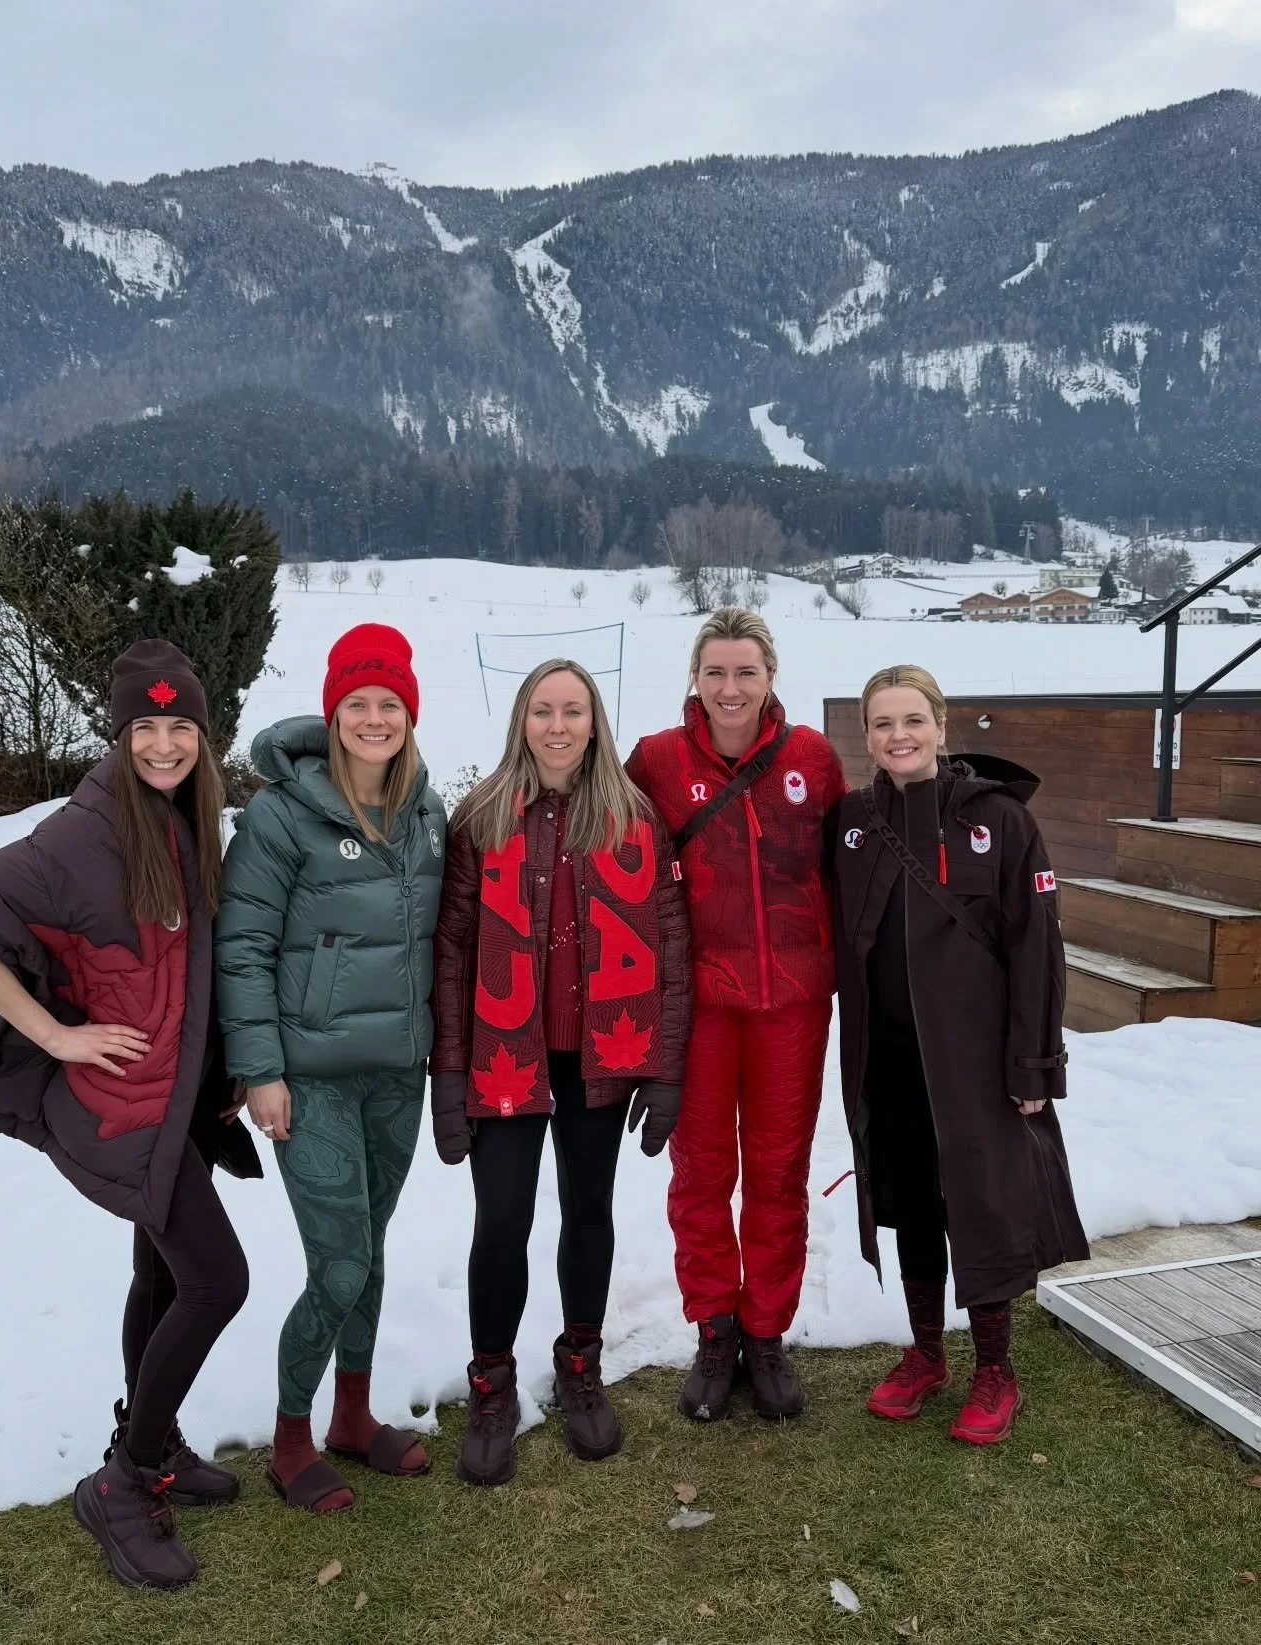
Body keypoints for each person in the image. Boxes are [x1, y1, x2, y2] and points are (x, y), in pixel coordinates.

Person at [0, 640, 256, 1591]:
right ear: (117, 736)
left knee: (161, 1279)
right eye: (144, 728)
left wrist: (224, 1068)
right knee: (216, 1282)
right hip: (122, 1108)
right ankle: (123, 1487)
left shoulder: (183, 817)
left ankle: (149, 1445)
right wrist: (58, 1034)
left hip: (176, 1097)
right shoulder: (86, 834)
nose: (164, 744)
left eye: (181, 727)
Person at [430, 658, 690, 1486]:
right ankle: (492, 1382)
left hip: (603, 1057)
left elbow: (672, 945)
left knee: (589, 1210)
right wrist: (448, 1079)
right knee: (501, 1219)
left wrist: (667, 1068)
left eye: (573, 710)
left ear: (594, 721)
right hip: (508, 1055)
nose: (557, 725)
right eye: (542, 710)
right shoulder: (481, 816)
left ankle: (581, 1363)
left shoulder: (634, 816)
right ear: (522, 719)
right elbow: (451, 952)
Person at [215, 624, 444, 1513]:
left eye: (390, 703)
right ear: (334, 709)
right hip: (307, 1078)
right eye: (359, 702)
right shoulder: (279, 814)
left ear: (409, 713)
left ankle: (355, 1413)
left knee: (371, 1252)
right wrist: (260, 1068)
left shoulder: (426, 811)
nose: (375, 718)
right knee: (339, 1262)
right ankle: (291, 1435)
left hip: (398, 1073)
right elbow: (242, 949)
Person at [827, 664, 1088, 1445]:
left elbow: (1037, 946)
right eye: (881, 723)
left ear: (942, 726)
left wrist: (1035, 1063)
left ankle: (995, 1368)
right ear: (866, 735)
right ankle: (926, 1351)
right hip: (890, 1057)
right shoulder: (851, 823)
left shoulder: (1000, 821)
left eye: (912, 719)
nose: (897, 736)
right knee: (911, 1200)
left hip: (977, 1062)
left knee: (982, 1203)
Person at [625, 607, 847, 1423]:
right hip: (699, 1003)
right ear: (694, 675)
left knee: (780, 1171)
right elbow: (612, 855)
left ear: (770, 676)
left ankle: (766, 1331)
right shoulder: (655, 760)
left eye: (745, 672)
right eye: (715, 672)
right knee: (703, 1171)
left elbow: (848, 867)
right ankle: (715, 1327)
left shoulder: (813, 760)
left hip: (792, 999)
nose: (730, 688)